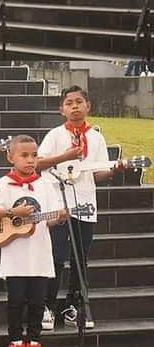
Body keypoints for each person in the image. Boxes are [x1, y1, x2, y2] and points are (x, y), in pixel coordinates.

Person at [36, 86, 124, 330]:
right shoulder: (55, 135)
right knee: (56, 255)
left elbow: (96, 174)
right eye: (69, 103)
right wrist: (64, 156)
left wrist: (114, 170)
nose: (74, 106)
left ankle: (72, 304)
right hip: (57, 202)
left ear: (88, 106)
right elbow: (38, 164)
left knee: (80, 258)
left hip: (85, 203)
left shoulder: (96, 137)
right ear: (61, 109)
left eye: (79, 102)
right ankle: (47, 305)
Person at [0, 135, 67, 347]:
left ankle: (35, 339)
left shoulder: (45, 184)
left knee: (38, 302)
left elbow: (48, 219)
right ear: (11, 158)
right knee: (16, 301)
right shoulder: (4, 183)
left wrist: (58, 218)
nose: (30, 160)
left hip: (39, 253)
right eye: (24, 155)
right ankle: (15, 339)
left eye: (34, 155)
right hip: (15, 254)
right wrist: (14, 212)